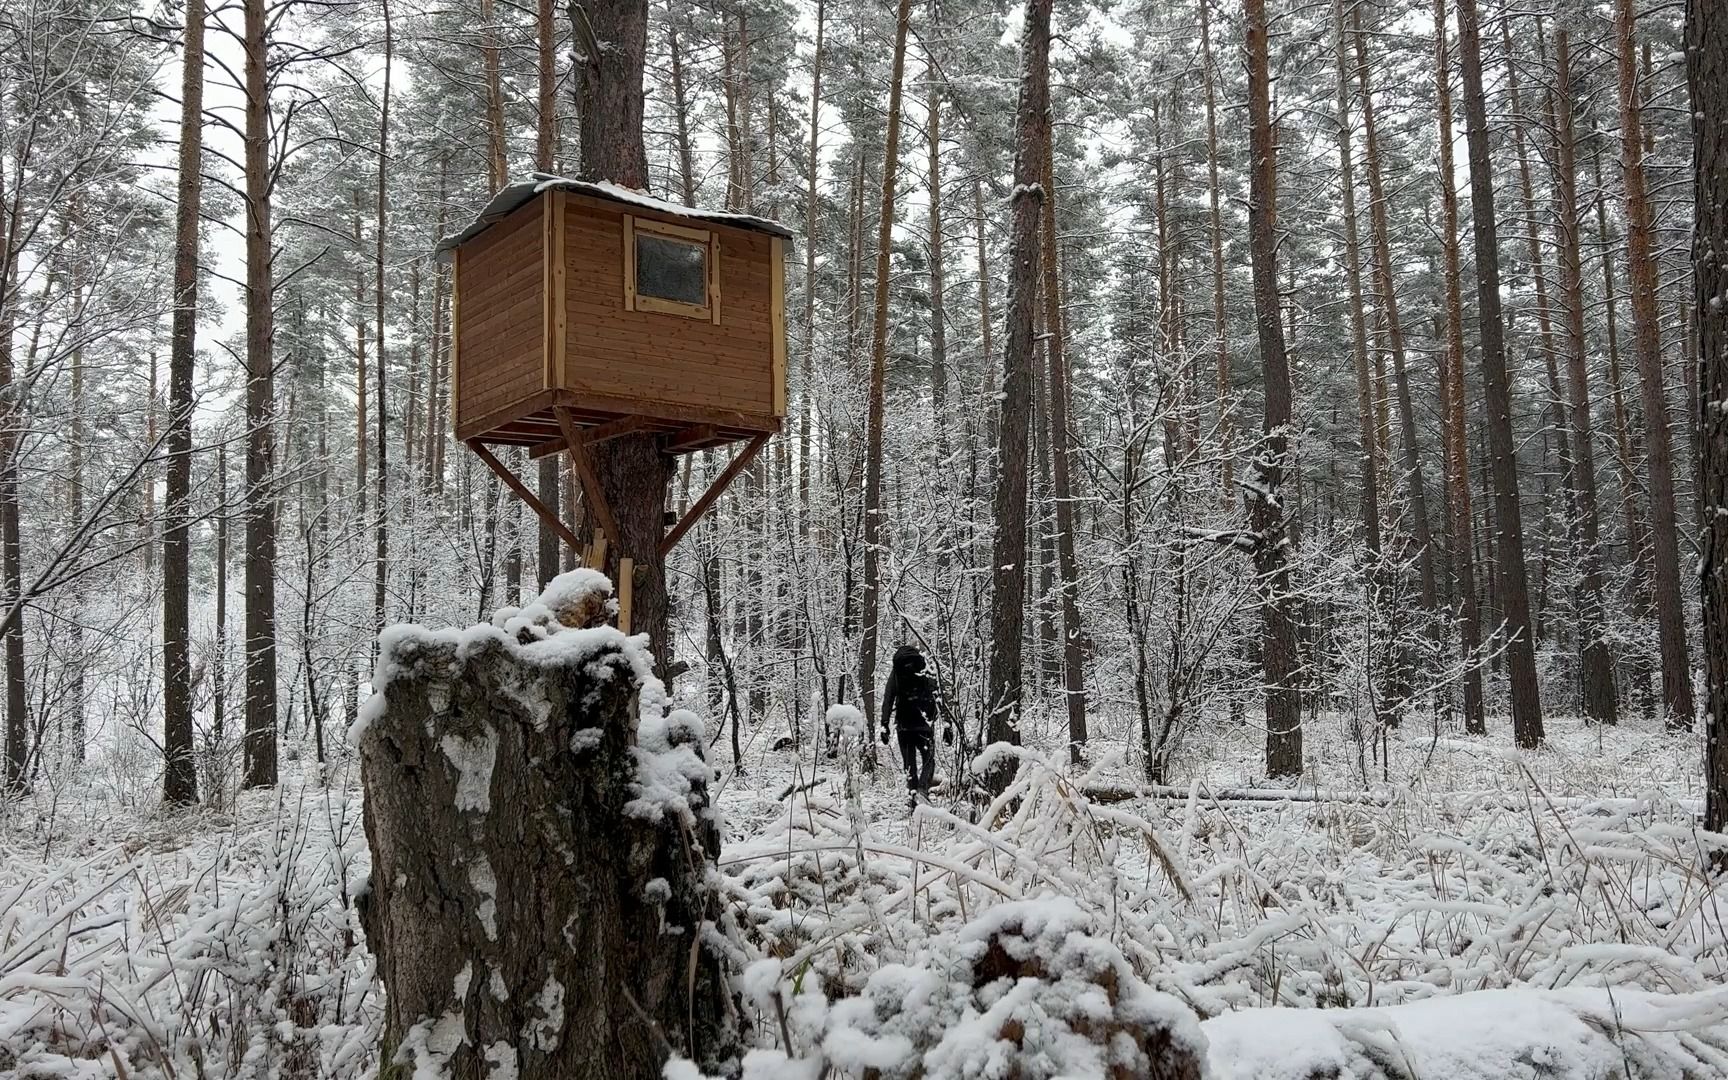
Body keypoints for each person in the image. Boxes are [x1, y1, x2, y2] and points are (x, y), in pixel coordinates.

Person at [880, 644, 951, 807]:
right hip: (924, 723)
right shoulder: (925, 666)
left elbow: (888, 697)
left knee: (909, 764)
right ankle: (922, 790)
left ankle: (913, 799)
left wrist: (884, 723)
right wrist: (947, 725)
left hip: (904, 725)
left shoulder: (897, 671)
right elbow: (939, 695)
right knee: (929, 761)